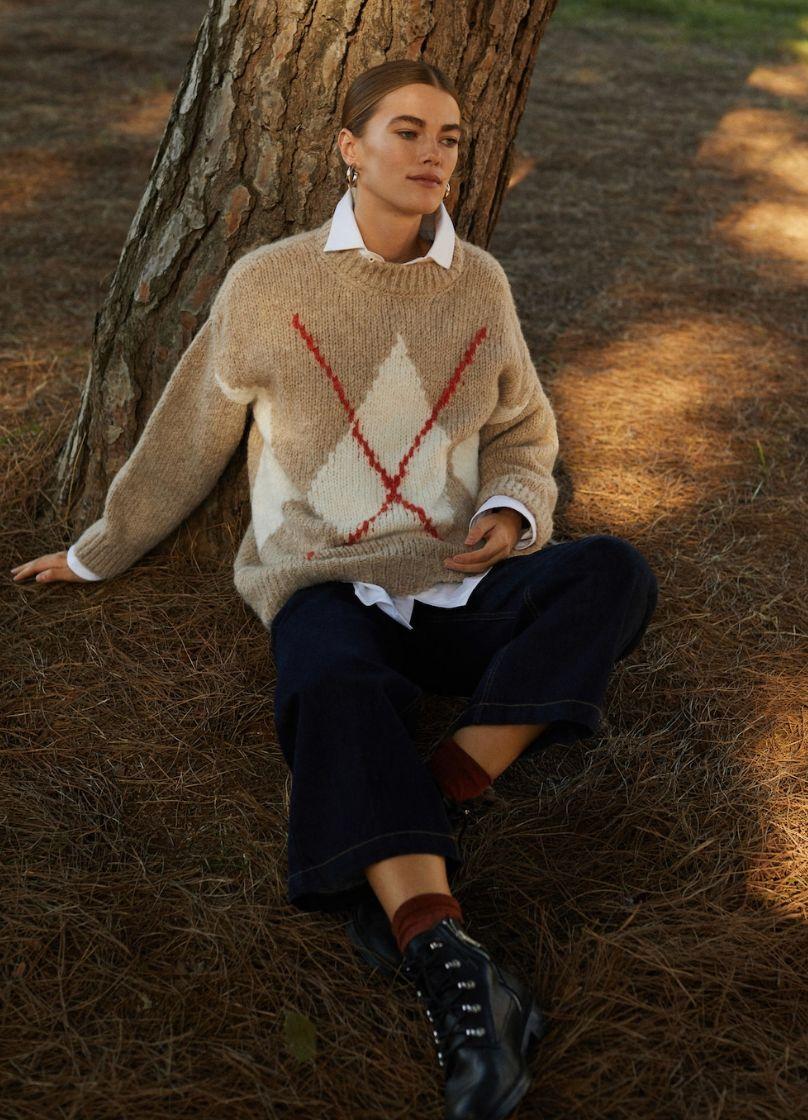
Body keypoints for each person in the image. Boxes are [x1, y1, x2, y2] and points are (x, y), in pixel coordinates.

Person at [10, 59, 658, 1120]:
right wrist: (100, 548)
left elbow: (522, 430)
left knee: (612, 572)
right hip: (324, 580)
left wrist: (510, 511)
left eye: (449, 138)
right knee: (327, 679)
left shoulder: (478, 283)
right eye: (408, 131)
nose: (433, 154)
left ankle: (439, 783)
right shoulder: (269, 284)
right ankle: (449, 964)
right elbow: (188, 432)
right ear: (349, 148)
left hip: (454, 579)